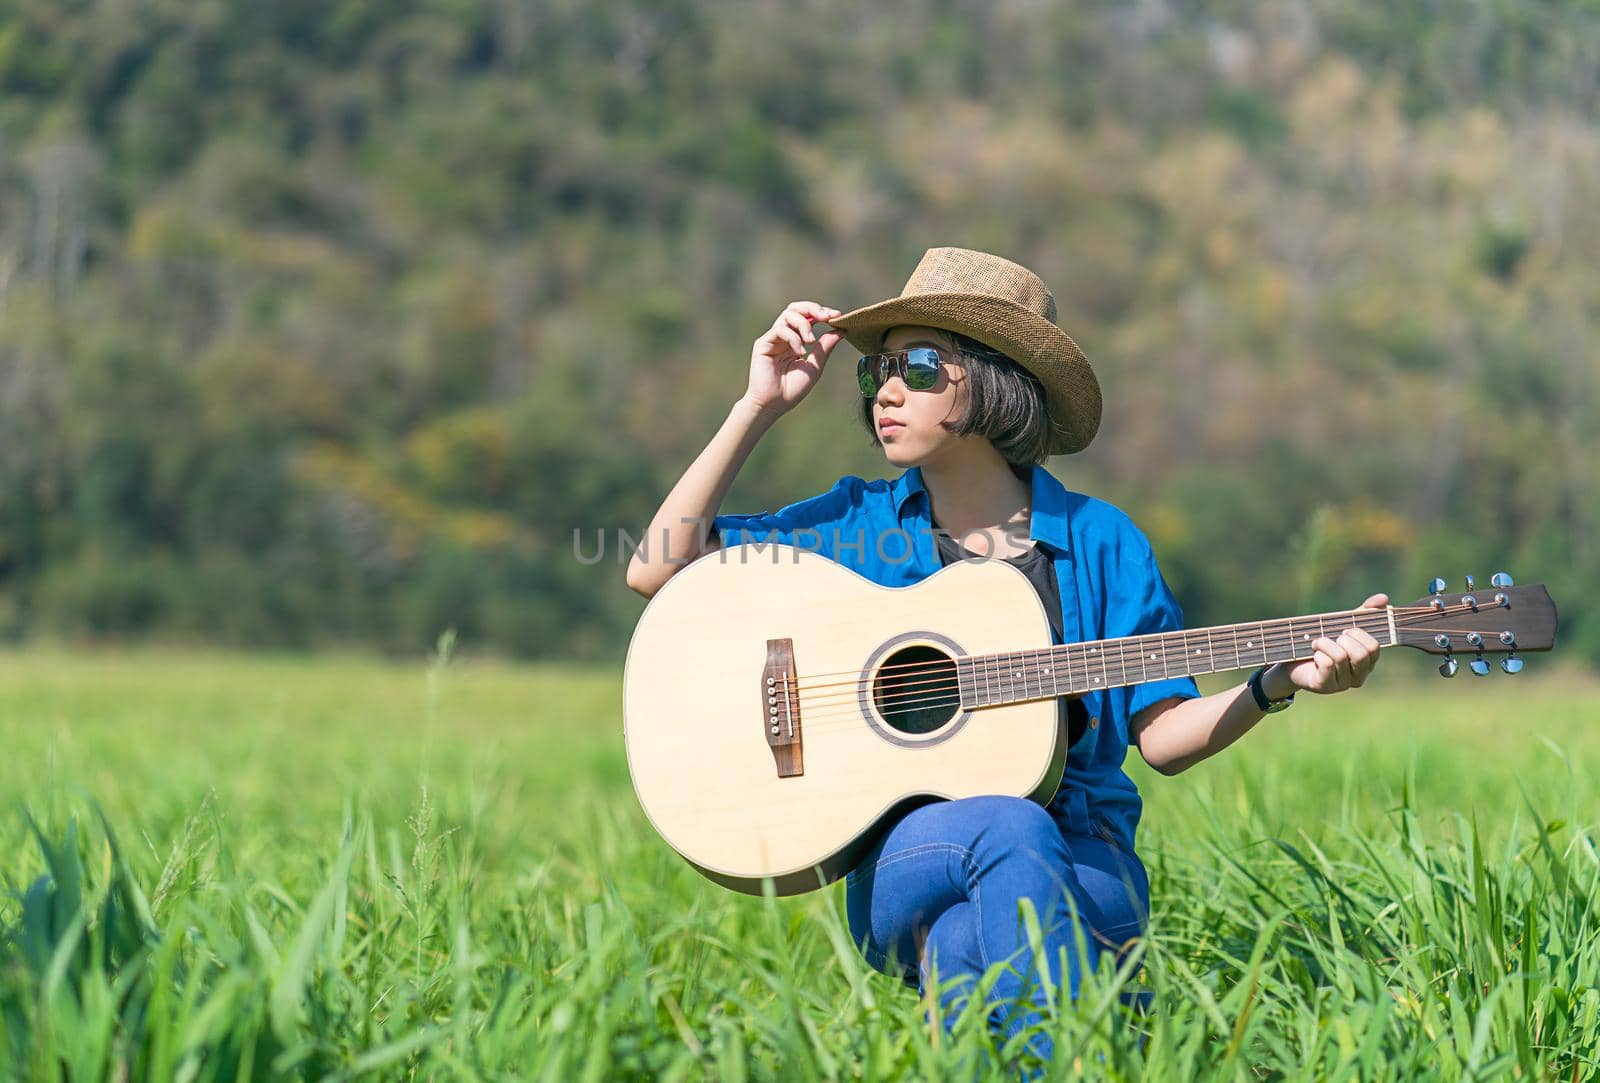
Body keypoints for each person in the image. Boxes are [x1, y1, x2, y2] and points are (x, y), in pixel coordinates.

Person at [624, 247, 1385, 1064]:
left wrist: (1272, 684)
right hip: (905, 857)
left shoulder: (1101, 542)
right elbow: (658, 566)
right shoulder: (855, 525)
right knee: (1007, 827)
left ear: (993, 381)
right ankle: (1093, 1056)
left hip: (1088, 855)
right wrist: (756, 407)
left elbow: (1161, 735)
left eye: (917, 366)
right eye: (875, 370)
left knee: (963, 945)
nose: (883, 388)